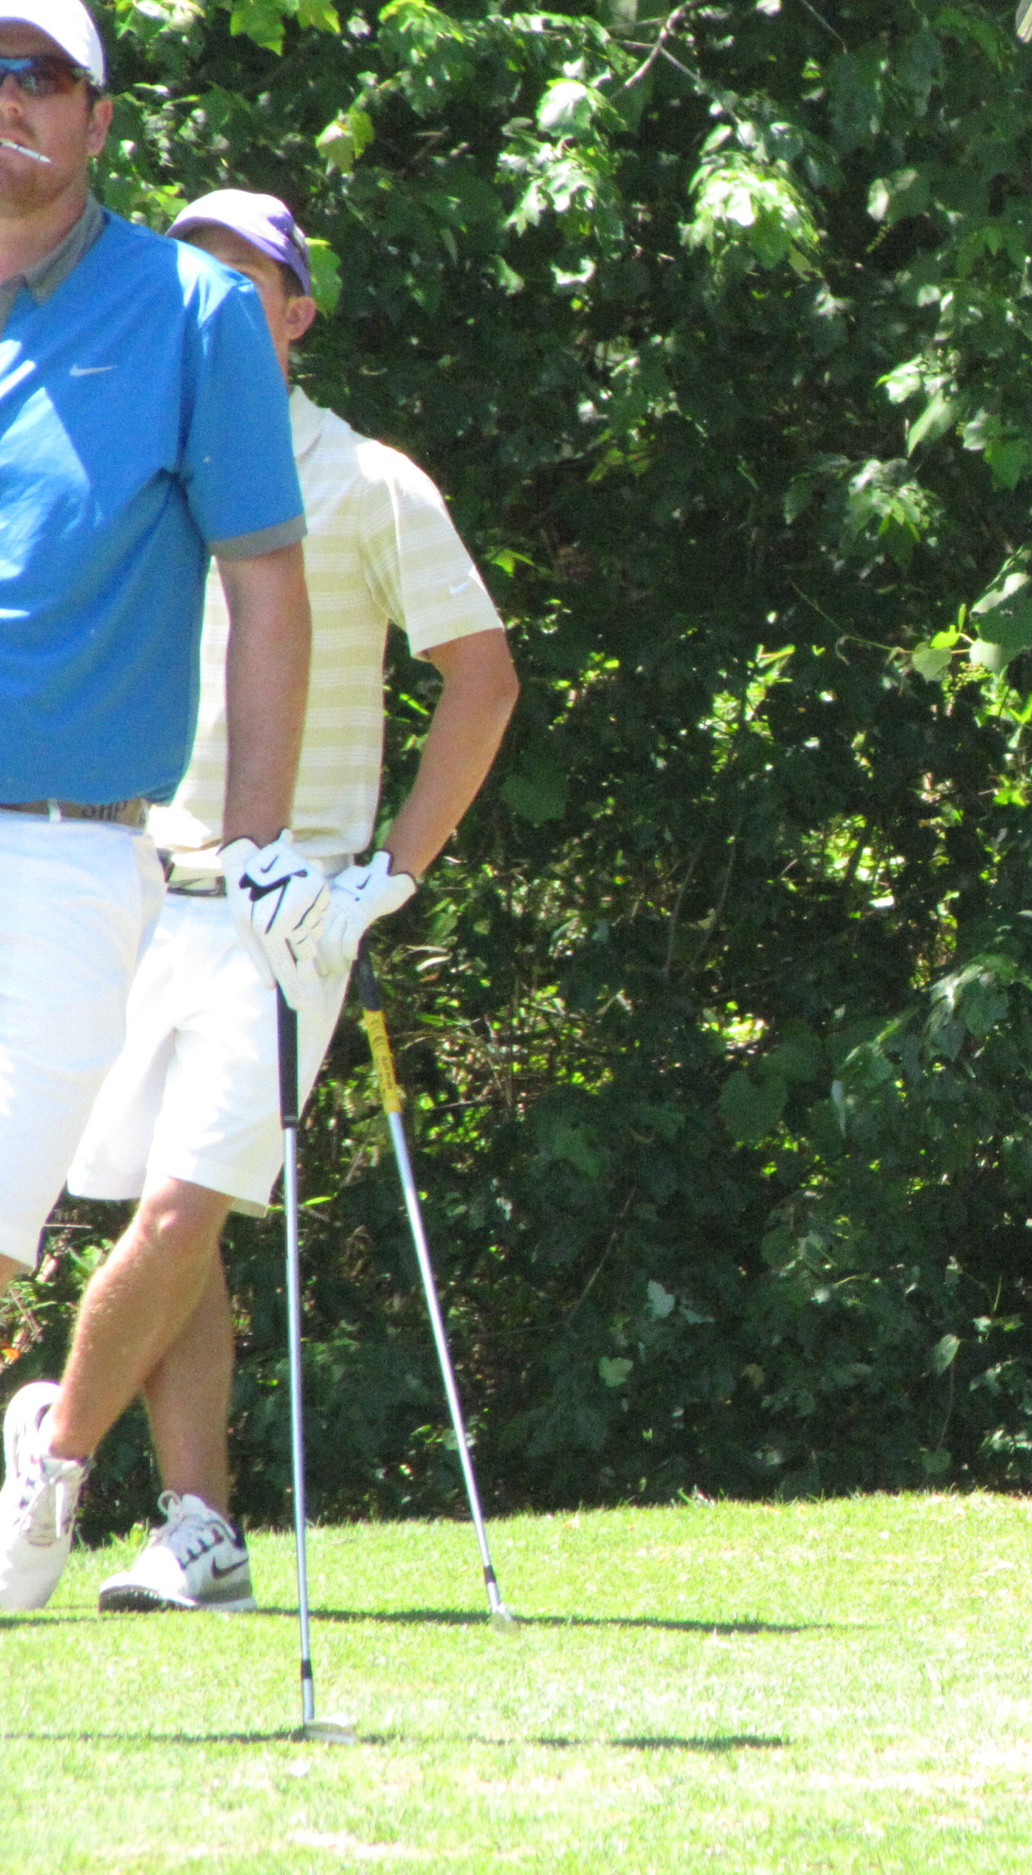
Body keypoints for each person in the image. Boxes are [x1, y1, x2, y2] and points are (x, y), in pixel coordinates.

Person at [0, 187, 517, 1615]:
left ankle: (49, 1460)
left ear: (294, 313)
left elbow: (482, 675)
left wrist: (387, 878)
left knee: (182, 1212)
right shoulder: (137, 450)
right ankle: (200, 1526)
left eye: (253, 282)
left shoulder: (367, 477)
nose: (221, 302)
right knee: (169, 1233)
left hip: (284, 910)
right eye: (198, 276)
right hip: (125, 881)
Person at [0, 3, 327, 1610]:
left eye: (38, 76)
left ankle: (52, 1464)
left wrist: (262, 845)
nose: (7, 102)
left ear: (101, 119)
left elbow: (270, 588)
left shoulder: (196, 309)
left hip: (55, 840)